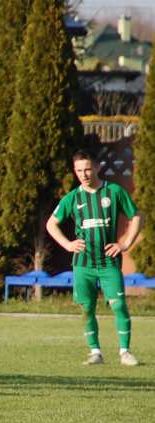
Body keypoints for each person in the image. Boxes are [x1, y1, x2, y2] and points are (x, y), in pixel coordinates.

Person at [46, 150, 142, 366]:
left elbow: (136, 216)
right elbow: (51, 224)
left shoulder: (114, 192)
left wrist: (125, 243)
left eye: (88, 169)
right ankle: (95, 352)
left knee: (118, 305)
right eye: (79, 170)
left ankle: (125, 352)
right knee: (86, 308)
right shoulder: (72, 198)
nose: (84, 174)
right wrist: (68, 244)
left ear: (97, 167)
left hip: (108, 262)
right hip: (83, 264)